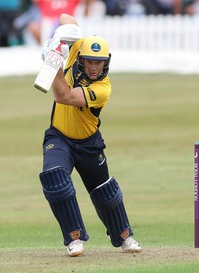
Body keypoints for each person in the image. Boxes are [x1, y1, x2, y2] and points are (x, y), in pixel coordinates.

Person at [38, 13, 142, 257]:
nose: (94, 67)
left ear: (106, 62)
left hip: (88, 143)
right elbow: (65, 17)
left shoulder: (102, 89)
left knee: (105, 194)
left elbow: (63, 96)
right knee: (55, 180)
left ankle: (124, 237)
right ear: (81, 58)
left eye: (99, 62)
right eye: (89, 61)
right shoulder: (75, 49)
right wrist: (57, 40)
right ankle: (74, 239)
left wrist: (54, 64)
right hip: (59, 137)